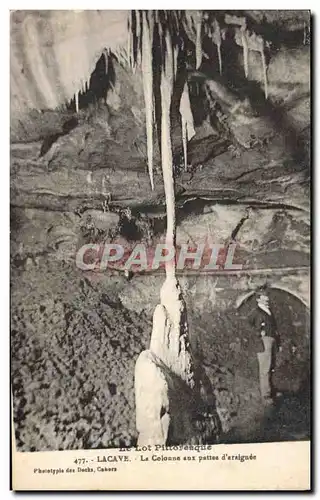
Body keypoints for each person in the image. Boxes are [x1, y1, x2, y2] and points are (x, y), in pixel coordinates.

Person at [248, 290, 280, 405]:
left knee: (270, 366)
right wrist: (258, 334)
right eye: (263, 298)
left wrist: (278, 343)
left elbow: (274, 328)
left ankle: (270, 391)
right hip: (263, 342)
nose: (266, 299)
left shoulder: (268, 311)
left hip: (270, 340)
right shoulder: (257, 311)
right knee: (265, 369)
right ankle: (265, 396)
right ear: (258, 300)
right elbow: (248, 324)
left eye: (267, 297)